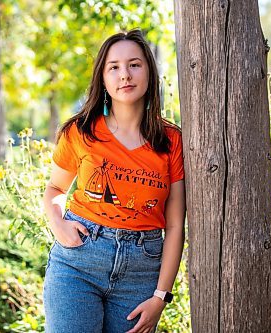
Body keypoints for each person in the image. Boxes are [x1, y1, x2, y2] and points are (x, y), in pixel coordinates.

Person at [43, 29, 186, 333]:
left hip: (141, 272)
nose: (125, 75)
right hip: (78, 262)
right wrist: (58, 224)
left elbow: (174, 226)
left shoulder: (170, 141)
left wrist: (160, 296)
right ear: (104, 78)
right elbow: (55, 189)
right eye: (114, 67)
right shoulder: (81, 131)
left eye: (134, 65)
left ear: (149, 71)